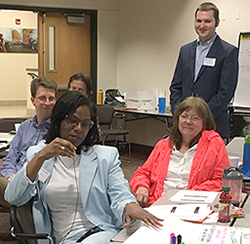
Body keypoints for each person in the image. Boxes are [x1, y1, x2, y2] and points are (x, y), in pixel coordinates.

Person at [5, 91, 163, 244]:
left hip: (102, 232)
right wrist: (41, 156)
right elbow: (13, 197)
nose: (79, 128)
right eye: (72, 120)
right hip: (64, 238)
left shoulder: (104, 157)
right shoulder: (39, 155)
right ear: (59, 120)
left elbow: (119, 192)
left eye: (86, 124)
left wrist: (130, 205)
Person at [130, 96, 230, 207]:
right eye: (184, 116)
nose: (188, 121)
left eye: (195, 118)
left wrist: (188, 194)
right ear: (178, 119)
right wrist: (142, 186)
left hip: (193, 204)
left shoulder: (213, 144)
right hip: (158, 203)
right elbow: (142, 173)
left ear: (204, 122)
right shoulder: (163, 145)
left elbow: (221, 180)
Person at [169, 2, 238, 139]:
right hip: (185, 129)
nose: (202, 25)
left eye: (207, 21)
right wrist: (181, 115)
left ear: (217, 22)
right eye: (198, 21)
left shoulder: (228, 52)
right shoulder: (185, 51)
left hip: (212, 125)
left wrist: (200, 117)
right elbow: (176, 87)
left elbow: (225, 92)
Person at [0, 76, 58, 208]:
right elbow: (10, 159)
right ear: (33, 100)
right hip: (15, 180)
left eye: (51, 98)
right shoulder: (25, 127)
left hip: (37, 185)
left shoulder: (57, 130)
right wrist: (12, 177)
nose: (48, 102)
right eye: (43, 98)